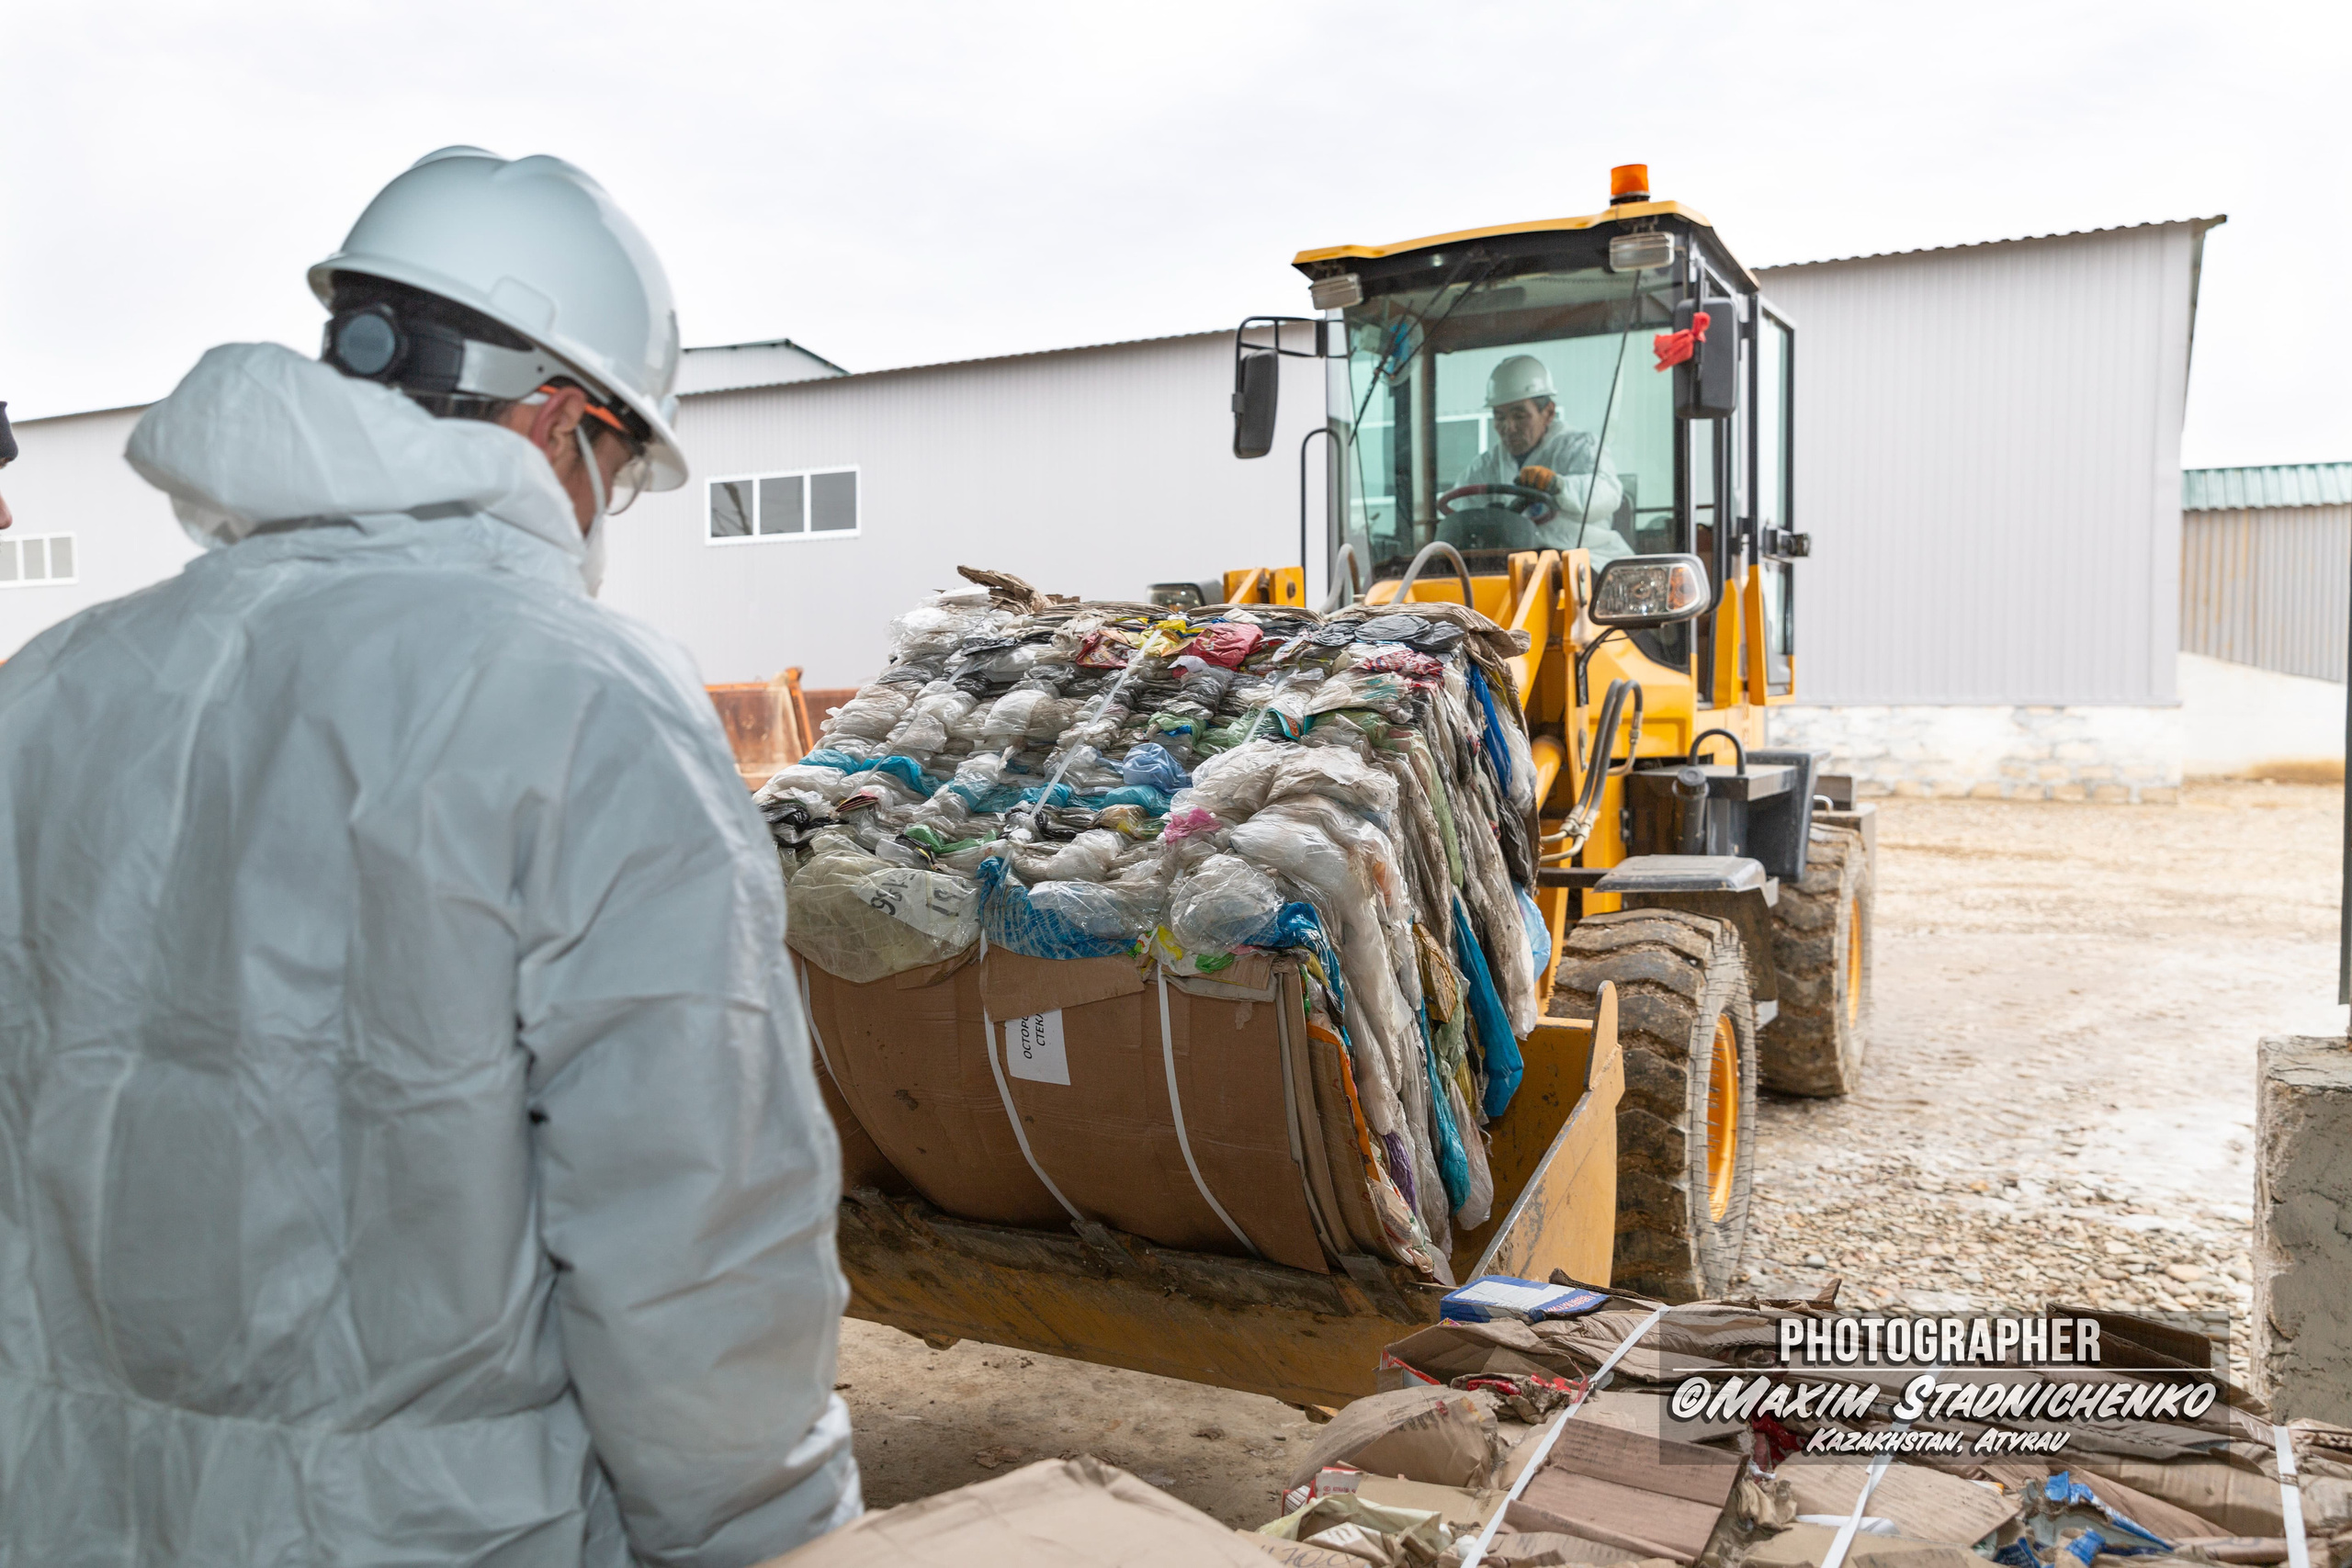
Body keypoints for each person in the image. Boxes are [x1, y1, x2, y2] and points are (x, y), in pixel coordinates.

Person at [0, 149, 860, 1565]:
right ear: (562, 422)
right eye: (619, 470)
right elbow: (690, 1221)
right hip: (423, 1529)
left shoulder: (53, 690)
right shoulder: (586, 703)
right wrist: (769, 1527)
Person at [1452, 353, 1628, 556]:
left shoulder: (1580, 447)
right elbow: (1459, 515)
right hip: (1511, 567)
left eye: (1520, 416)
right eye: (1499, 417)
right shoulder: (1484, 467)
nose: (1508, 427)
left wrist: (1559, 486)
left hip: (1585, 562)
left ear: (1549, 413)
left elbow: (1607, 492)